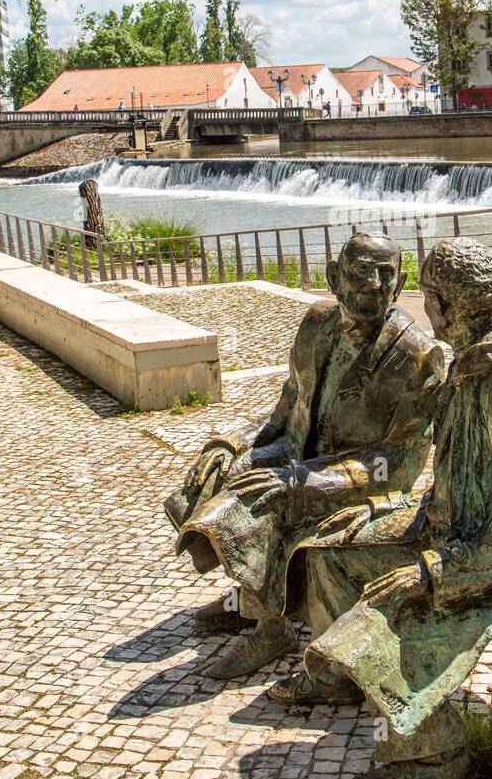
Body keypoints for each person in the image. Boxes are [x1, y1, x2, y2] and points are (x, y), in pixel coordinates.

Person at [275, 236, 492, 779]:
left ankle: (432, 750)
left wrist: (434, 572)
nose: (421, 308)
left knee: (394, 602)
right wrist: (402, 521)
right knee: (327, 552)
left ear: (449, 305)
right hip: (450, 528)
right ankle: (348, 681)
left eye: (429, 296)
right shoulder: (472, 364)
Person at [164, 232, 444, 679]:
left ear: (400, 282)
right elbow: (288, 404)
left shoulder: (417, 355)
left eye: (385, 274)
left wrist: (302, 483)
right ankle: (252, 588)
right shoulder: (317, 322)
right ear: (334, 277)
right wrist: (232, 444)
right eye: (358, 272)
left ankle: (269, 627)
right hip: (299, 450)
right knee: (212, 476)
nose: (372, 284)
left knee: (251, 502)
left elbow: (398, 462)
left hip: (351, 476)